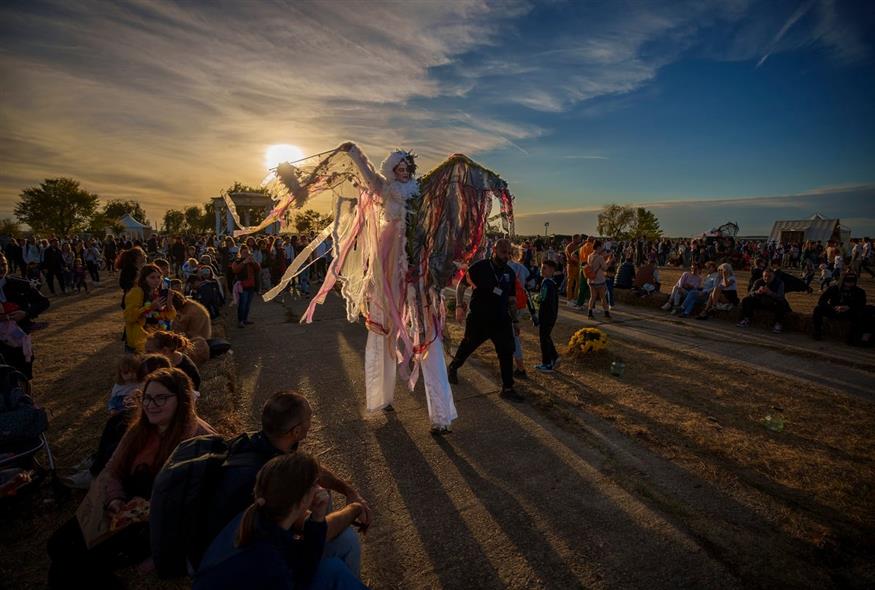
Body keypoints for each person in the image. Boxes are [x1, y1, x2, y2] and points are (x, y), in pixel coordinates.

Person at [48, 368, 215, 588]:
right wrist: (115, 499)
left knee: (76, 563)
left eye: (161, 398)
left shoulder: (199, 440)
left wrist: (149, 518)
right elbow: (111, 470)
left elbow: (197, 504)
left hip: (154, 524)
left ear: (182, 400)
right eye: (146, 397)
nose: (150, 404)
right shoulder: (139, 430)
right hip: (122, 508)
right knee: (57, 545)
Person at [197, 392, 370, 577]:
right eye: (309, 418)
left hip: (225, 547)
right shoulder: (271, 477)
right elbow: (314, 530)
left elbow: (311, 471)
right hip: (241, 564)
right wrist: (354, 509)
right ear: (296, 431)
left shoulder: (260, 442)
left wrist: (347, 490)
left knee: (320, 493)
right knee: (347, 541)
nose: (311, 422)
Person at [195, 453, 367, 590]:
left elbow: (303, 565)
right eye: (315, 484)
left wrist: (317, 518)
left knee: (333, 565)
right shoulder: (271, 562)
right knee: (334, 571)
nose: (320, 489)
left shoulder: (255, 518)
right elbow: (302, 574)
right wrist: (355, 508)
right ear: (300, 502)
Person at [449, 238, 522, 402]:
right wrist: (459, 305)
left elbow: (511, 299)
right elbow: (461, 285)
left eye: (509, 253)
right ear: (494, 250)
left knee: (506, 351)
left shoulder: (509, 273)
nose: (506, 256)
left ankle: (507, 387)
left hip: (501, 319)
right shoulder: (480, 267)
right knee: (468, 345)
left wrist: (515, 320)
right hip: (479, 318)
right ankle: (453, 367)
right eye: (503, 252)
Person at [0, 252, 49, 379]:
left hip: (19, 339)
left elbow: (43, 302)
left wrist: (26, 313)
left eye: (3, 264)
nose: (1, 268)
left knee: (23, 375)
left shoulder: (19, 284)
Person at [123, 264, 176, 353]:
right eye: (152, 277)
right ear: (144, 279)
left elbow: (170, 317)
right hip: (139, 342)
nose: (157, 280)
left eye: (159, 277)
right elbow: (129, 317)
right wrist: (150, 307)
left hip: (155, 340)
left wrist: (169, 303)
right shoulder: (137, 292)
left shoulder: (157, 293)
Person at [812, 273, 866, 343]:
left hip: (849, 312)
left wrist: (849, 307)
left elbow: (861, 304)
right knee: (818, 309)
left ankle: (853, 337)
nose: (849, 284)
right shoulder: (834, 288)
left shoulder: (859, 291)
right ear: (842, 281)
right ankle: (817, 332)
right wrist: (832, 307)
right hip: (834, 311)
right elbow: (821, 301)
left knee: (863, 314)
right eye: (847, 282)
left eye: (852, 282)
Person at [738, 268, 790, 333]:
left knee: (782, 303)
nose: (766, 278)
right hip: (760, 301)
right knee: (746, 300)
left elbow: (781, 297)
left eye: (769, 276)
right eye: (765, 276)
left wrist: (770, 293)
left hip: (772, 303)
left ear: (773, 276)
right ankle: (746, 319)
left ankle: (778, 323)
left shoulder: (780, 283)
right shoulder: (758, 281)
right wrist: (757, 292)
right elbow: (750, 293)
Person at [534, 259, 560, 372]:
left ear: (552, 270)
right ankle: (554, 357)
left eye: (544, 268)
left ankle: (547, 363)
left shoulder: (546, 283)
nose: (542, 270)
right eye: (541, 267)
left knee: (544, 339)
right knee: (546, 337)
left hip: (546, 315)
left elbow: (542, 298)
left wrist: (535, 298)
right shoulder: (553, 283)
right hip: (552, 315)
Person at [231, 245, 260, 328]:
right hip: (242, 286)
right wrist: (244, 262)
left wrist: (253, 262)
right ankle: (240, 321)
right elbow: (235, 270)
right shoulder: (237, 261)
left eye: (247, 252)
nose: (246, 254)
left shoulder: (251, 262)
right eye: (244, 253)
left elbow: (258, 269)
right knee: (242, 304)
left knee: (247, 304)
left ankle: (245, 319)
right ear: (240, 253)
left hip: (251, 285)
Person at [585, 240, 611, 320]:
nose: (603, 248)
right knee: (603, 297)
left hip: (591, 280)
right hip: (599, 280)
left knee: (592, 297)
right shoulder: (600, 257)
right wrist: (610, 261)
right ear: (599, 247)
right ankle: (606, 313)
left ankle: (590, 313)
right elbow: (605, 268)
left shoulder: (589, 256)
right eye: (602, 246)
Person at [564, 234, 582, 302]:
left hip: (577, 266)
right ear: (575, 239)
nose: (580, 240)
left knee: (577, 282)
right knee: (570, 283)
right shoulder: (569, 247)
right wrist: (580, 262)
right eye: (579, 239)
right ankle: (569, 298)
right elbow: (572, 257)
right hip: (571, 266)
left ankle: (575, 298)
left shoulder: (577, 246)